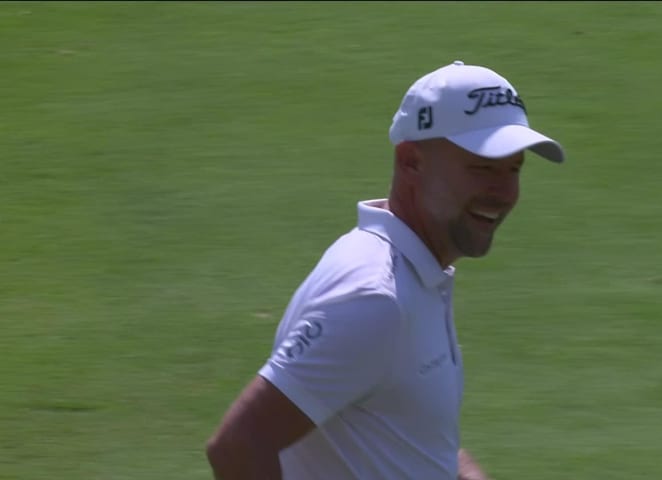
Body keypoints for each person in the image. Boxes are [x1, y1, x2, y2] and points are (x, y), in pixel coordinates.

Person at [205, 60, 566, 480]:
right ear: (412, 161)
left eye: (514, 169)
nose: (503, 192)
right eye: (482, 168)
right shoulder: (375, 297)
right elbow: (238, 447)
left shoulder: (416, 274)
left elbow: (407, 434)